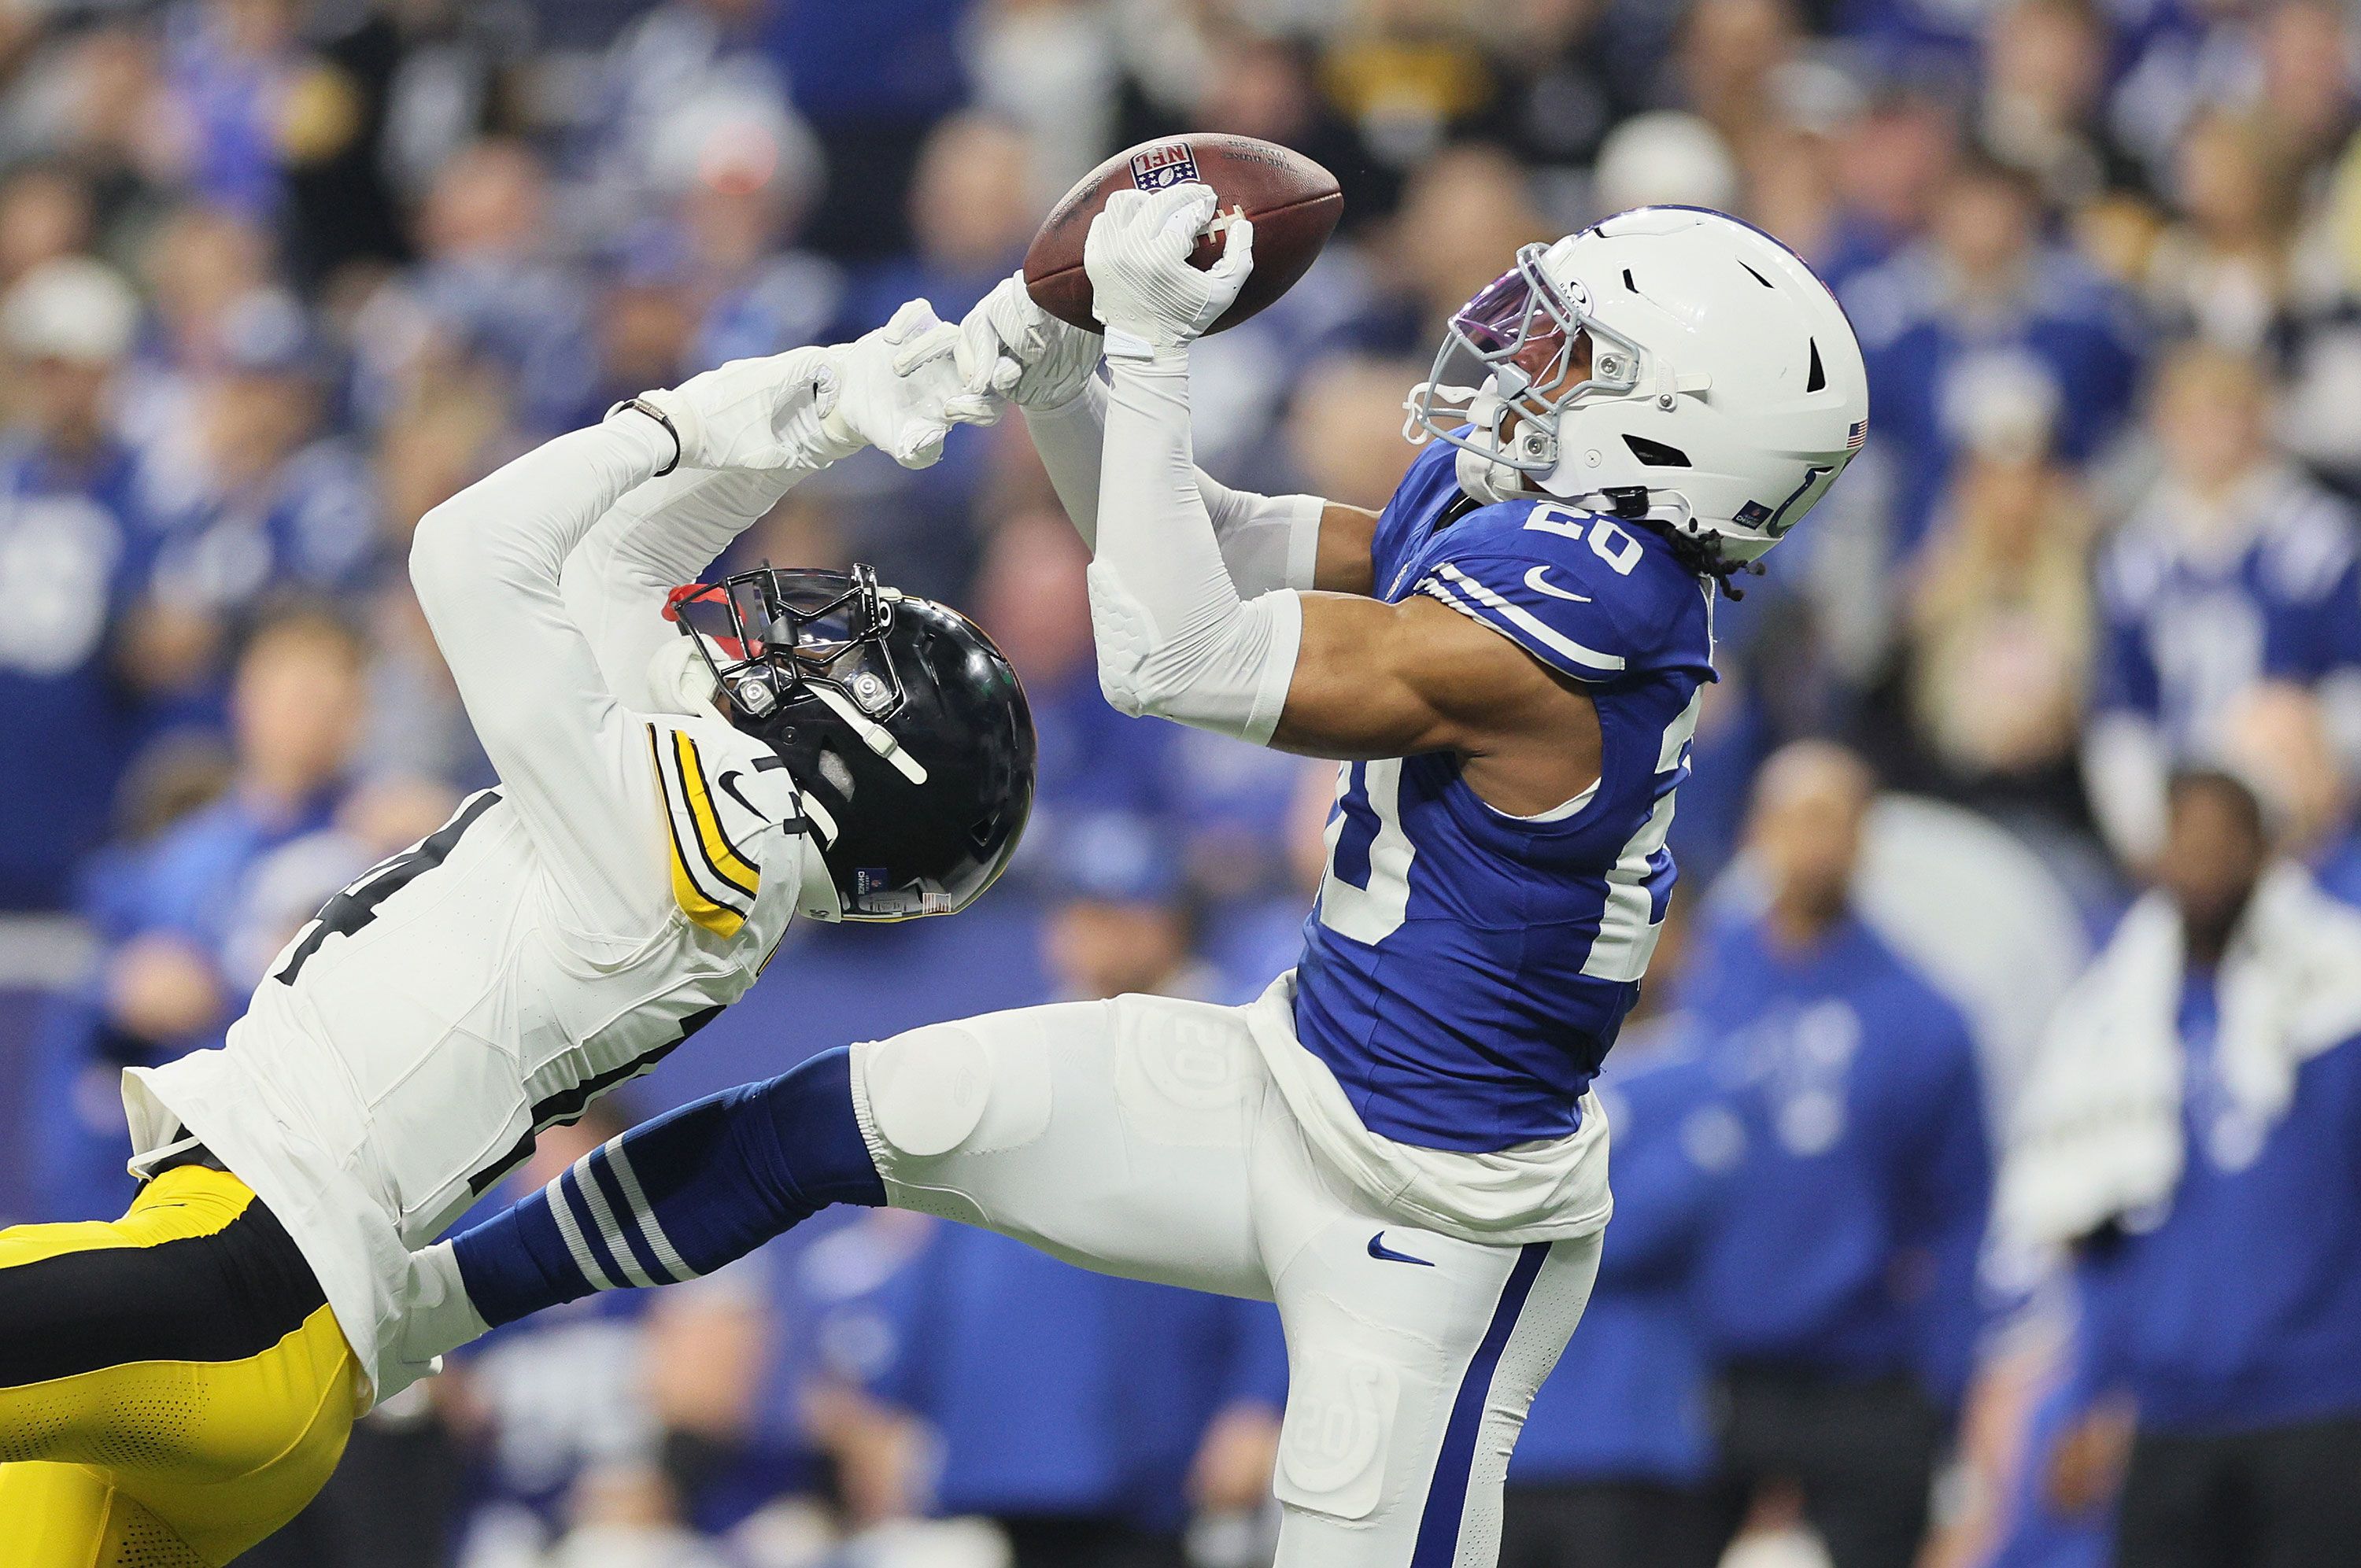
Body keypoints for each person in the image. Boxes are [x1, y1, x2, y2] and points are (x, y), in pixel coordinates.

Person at [421, 192, 1873, 1566]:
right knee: (834, 1116)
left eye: (1571, 354)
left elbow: (1177, 656)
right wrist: (1068, 374)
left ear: (1674, 437)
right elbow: (1210, 540)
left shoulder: (1590, 623)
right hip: (1285, 1071)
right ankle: (410, 1310)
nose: (1516, 363)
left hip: (1440, 1223)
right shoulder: (1535, 536)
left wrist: (1155, 343)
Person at [0, 312, 1033, 1567]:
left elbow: (470, 550)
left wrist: (705, 419)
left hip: (238, 1283)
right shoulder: (726, 854)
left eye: (834, 653)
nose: (787, 635)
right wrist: (821, 406)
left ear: (853, 749)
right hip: (278, 1332)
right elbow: (619, 574)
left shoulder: (703, 839)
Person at [1999, 769, 2361, 1568]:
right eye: (2183, 843)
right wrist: (2089, 1395)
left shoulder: (2339, 1001)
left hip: (2322, 1401)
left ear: (2264, 852)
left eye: (2220, 844)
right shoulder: (2108, 1022)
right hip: (2168, 1416)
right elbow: (2086, 1222)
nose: (2200, 864)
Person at [1687, 741, 1991, 1568]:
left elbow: (1961, 1212)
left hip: (1867, 1376)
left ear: (1866, 840)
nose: (1814, 841)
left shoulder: (1925, 1014)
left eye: (1835, 819)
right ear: (1757, 831)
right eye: (1796, 817)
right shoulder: (1692, 984)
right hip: (1709, 1373)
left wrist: (1943, 1384)